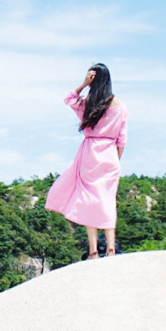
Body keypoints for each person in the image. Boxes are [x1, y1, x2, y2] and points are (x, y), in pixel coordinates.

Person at [45, 63, 128, 259]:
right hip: (110, 155)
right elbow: (122, 139)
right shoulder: (121, 106)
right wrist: (116, 160)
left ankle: (93, 251)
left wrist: (83, 84)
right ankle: (110, 249)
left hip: (90, 153)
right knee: (108, 201)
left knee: (88, 200)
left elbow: (68, 99)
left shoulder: (88, 103)